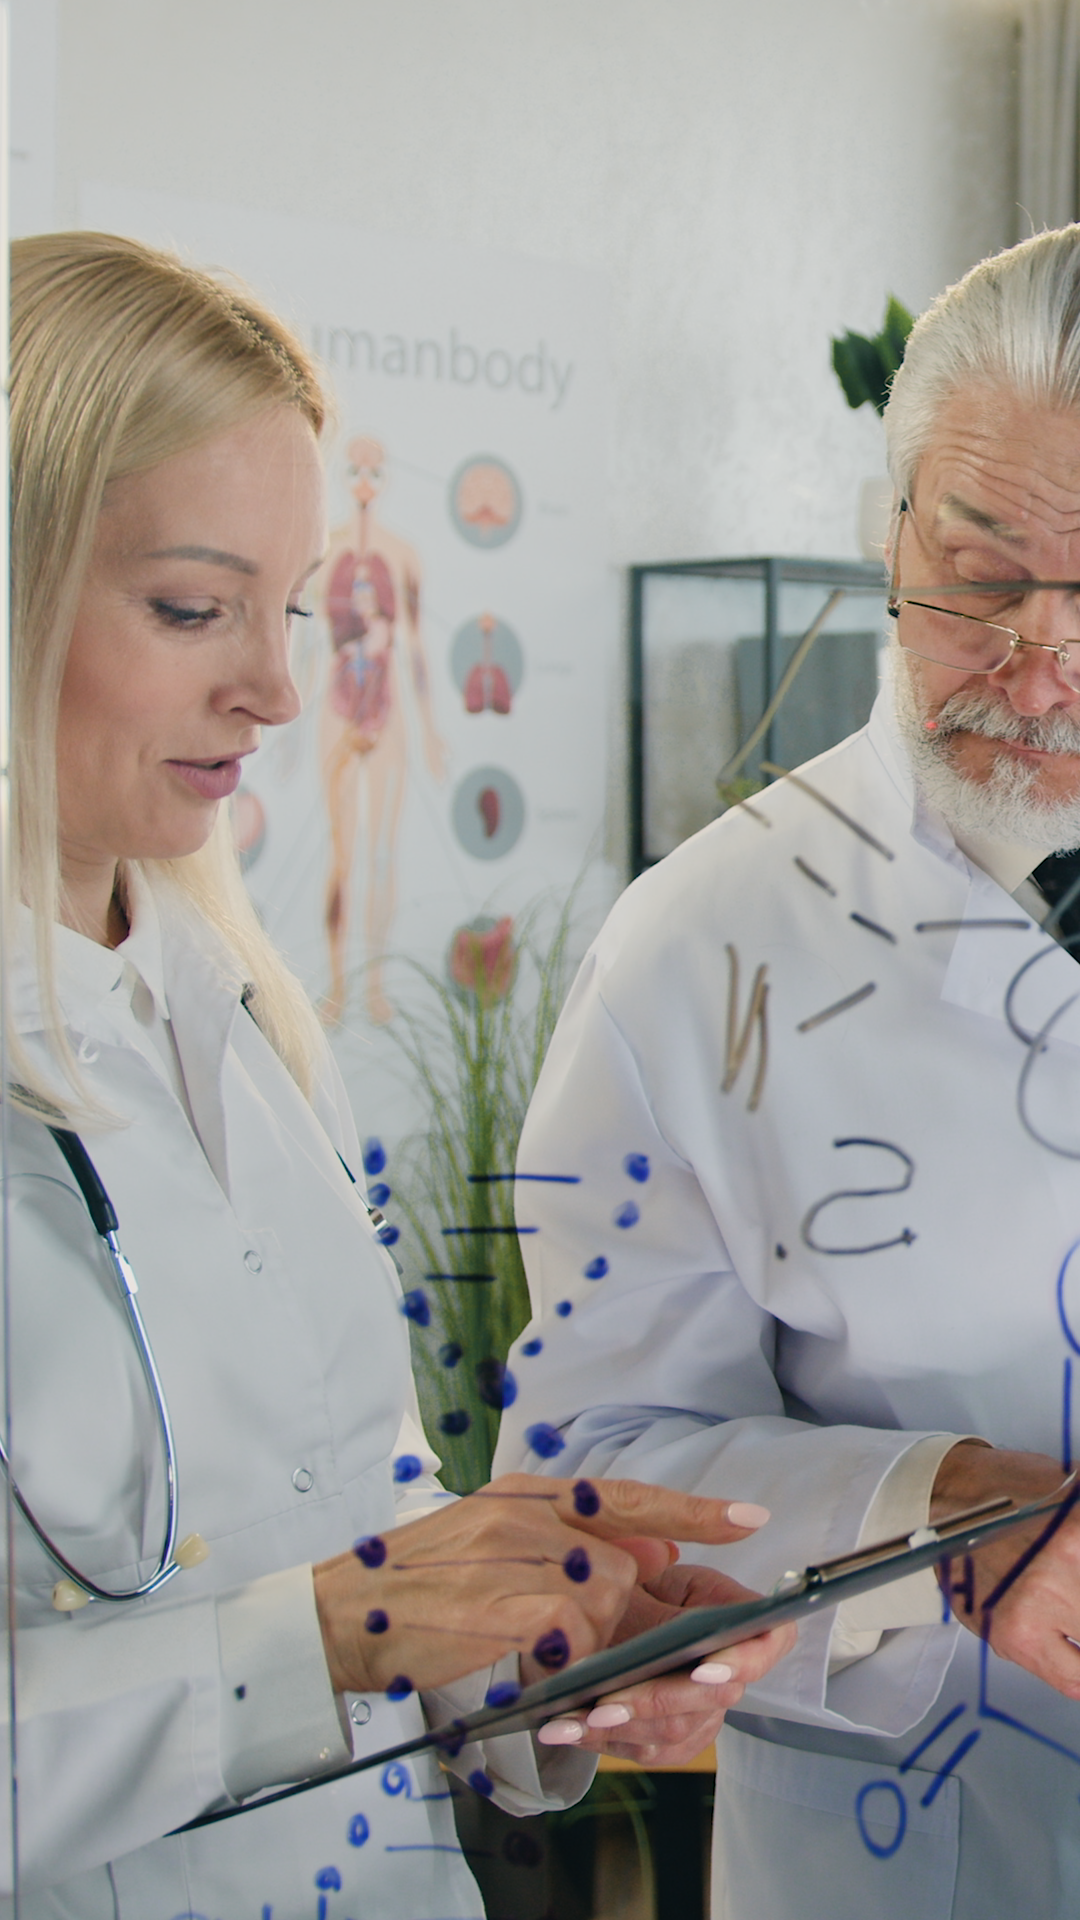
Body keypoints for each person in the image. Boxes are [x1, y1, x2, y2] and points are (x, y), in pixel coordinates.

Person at [0, 231, 795, 1918]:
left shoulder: (245, 1026)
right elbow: (308, 1624)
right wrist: (322, 1635)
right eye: (192, 609)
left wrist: (528, 1653)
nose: (278, 689)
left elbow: (361, 1501)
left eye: (286, 610)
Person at [494, 224, 1080, 1920]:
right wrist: (936, 1515)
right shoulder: (700, 948)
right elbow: (587, 1467)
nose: (1043, 661)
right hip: (919, 1851)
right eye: (978, 572)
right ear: (888, 533)